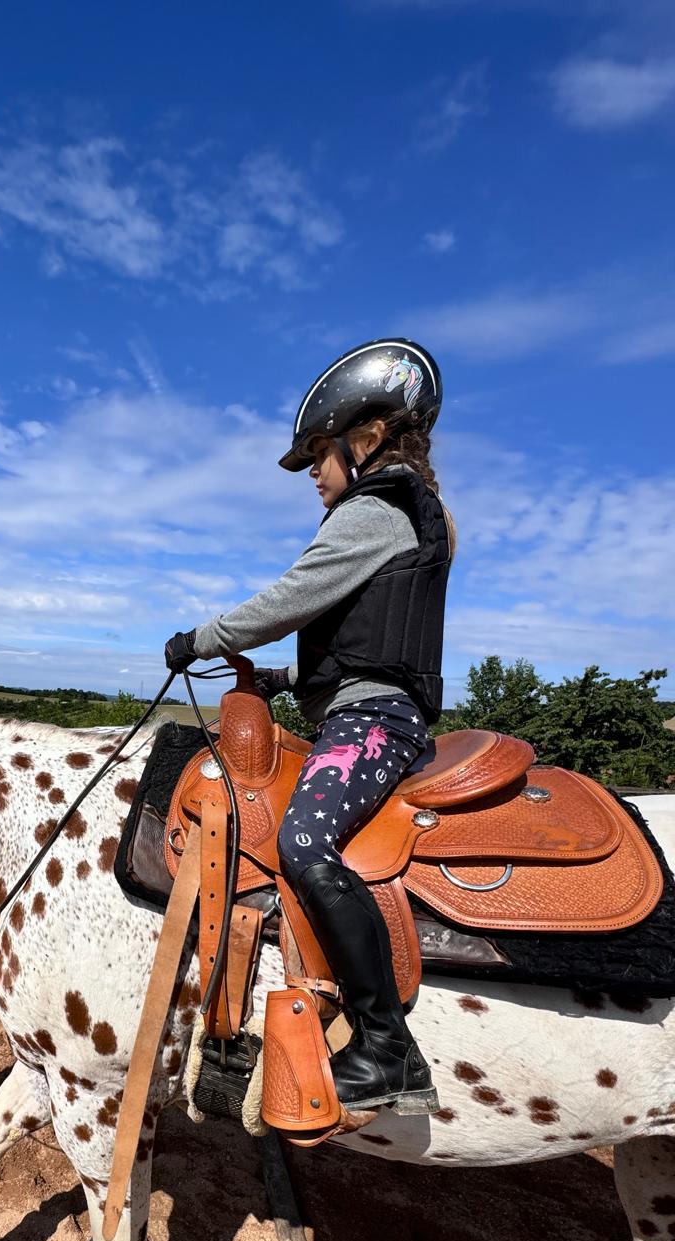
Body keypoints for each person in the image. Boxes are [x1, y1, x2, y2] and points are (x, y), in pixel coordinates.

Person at [164, 338, 452, 1116]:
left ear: (369, 437)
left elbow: (289, 599)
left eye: (320, 457)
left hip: (373, 723)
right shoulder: (400, 511)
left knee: (303, 839)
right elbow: (372, 644)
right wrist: (288, 680)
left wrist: (202, 640)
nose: (315, 479)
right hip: (365, 706)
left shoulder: (376, 508)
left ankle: (388, 1048)